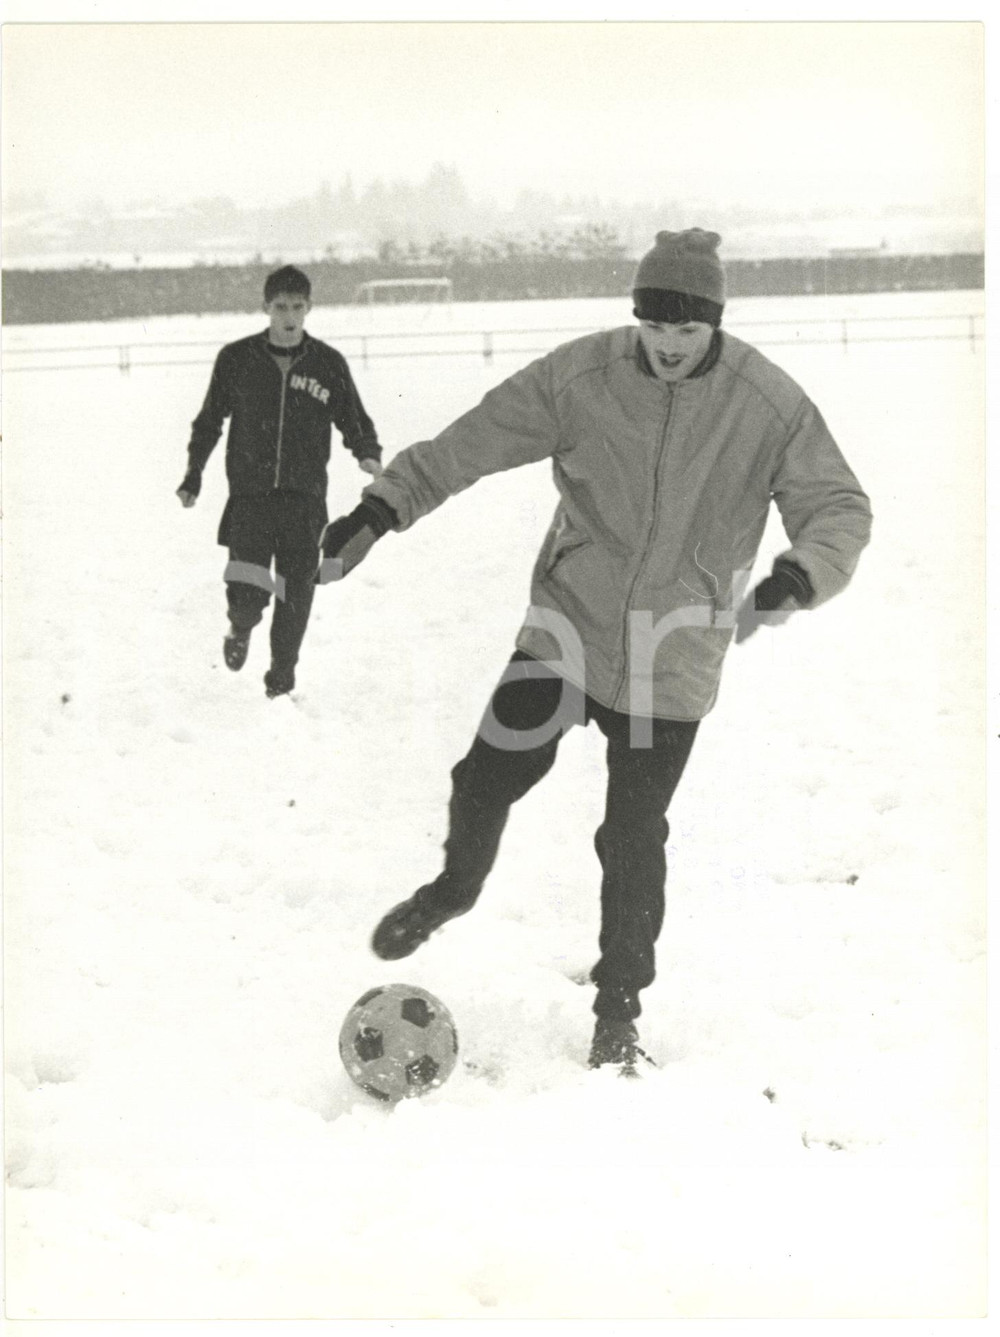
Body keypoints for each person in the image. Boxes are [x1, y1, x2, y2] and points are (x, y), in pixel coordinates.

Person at [319, 229, 872, 1073]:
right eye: (656, 323)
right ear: (638, 315)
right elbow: (471, 442)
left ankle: (618, 1013)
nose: (670, 343)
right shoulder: (583, 377)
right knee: (484, 778)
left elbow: (837, 503)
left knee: (632, 836)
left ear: (715, 324)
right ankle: (453, 888)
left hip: (670, 656)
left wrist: (801, 573)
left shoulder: (766, 404)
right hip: (568, 634)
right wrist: (378, 511)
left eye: (689, 329)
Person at [177, 265, 382, 698]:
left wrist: (367, 453)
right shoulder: (236, 359)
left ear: (309, 308)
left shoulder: (328, 364)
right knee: (248, 594)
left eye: (297, 307)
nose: (289, 316)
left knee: (296, 595)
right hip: (251, 501)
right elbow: (209, 421)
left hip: (304, 503)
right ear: (266, 308)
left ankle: (282, 674)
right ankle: (240, 626)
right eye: (280, 306)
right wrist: (194, 473)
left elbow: (353, 417)